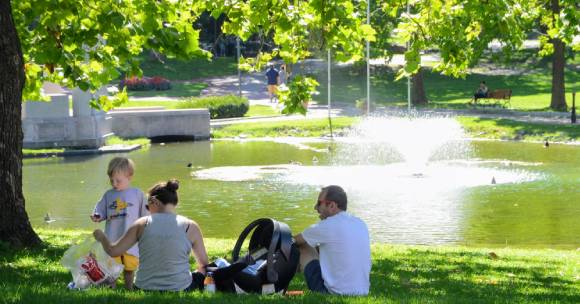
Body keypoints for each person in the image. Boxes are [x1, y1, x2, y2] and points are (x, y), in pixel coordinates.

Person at [93, 179, 209, 292]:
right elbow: (204, 263)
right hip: (181, 287)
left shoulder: (142, 223)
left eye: (147, 206)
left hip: (143, 287)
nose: (147, 210)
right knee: (202, 270)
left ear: (155, 202)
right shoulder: (190, 226)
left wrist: (102, 237)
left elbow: (113, 251)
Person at [293, 185, 371, 295]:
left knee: (302, 247)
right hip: (362, 292)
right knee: (315, 245)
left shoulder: (328, 225)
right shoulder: (360, 223)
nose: (315, 207)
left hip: (333, 293)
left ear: (332, 205)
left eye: (319, 203)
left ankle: (276, 284)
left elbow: (293, 241)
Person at [90, 157, 148, 289]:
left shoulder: (137, 194)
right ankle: (112, 287)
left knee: (129, 267)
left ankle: (129, 287)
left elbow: (145, 215)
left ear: (129, 177)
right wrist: (97, 216)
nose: (114, 184)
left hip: (131, 240)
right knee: (111, 267)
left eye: (118, 180)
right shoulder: (108, 195)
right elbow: (100, 210)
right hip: (112, 238)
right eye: (112, 180)